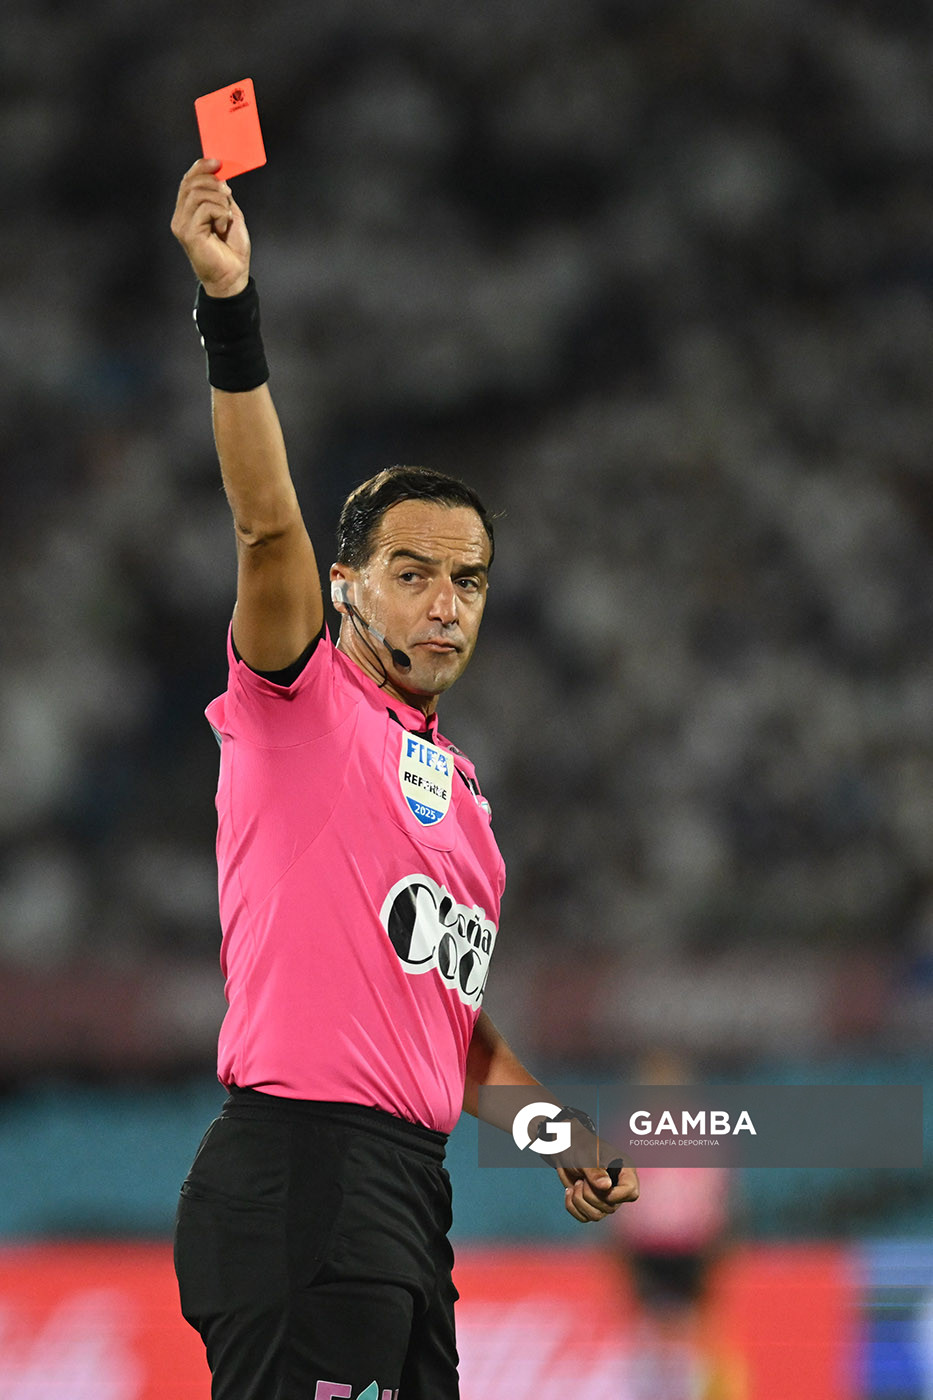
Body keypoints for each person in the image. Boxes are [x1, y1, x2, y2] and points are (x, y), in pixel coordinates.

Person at [169, 156, 639, 1400]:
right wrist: (232, 308)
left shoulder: (466, 801)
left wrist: (560, 1138)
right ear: (345, 585)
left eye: (469, 579)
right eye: (414, 570)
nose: (446, 602)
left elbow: (445, 1033)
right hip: (302, 1176)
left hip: (398, 1196)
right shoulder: (301, 698)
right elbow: (267, 522)